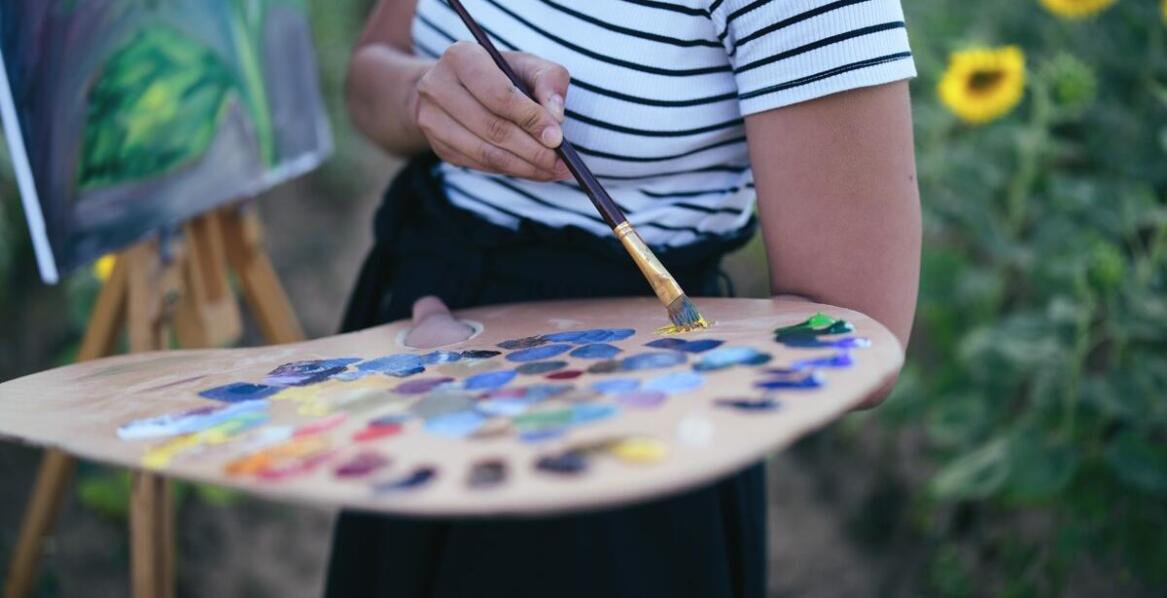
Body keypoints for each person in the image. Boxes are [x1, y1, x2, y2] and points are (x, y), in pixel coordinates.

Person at [326, 0, 920, 596]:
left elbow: (855, 338)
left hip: (622, 434)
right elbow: (370, 74)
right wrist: (423, 98)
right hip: (418, 352)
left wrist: (504, 348)